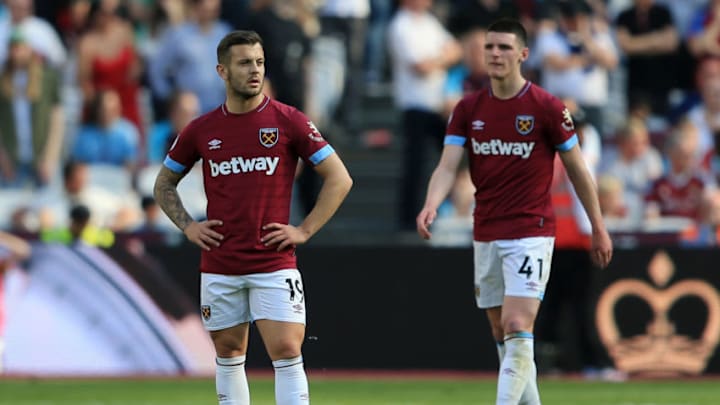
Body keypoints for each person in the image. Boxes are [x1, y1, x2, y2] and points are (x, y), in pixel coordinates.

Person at [416, 19, 612, 404]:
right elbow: (446, 164)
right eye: (489, 47)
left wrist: (598, 226)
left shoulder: (547, 107)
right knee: (501, 331)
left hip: (531, 231)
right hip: (486, 230)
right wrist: (430, 204)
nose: (495, 54)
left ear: (523, 54)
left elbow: (578, 170)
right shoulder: (467, 108)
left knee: (518, 323)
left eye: (504, 48)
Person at [153, 30, 352, 404]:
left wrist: (305, 230)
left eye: (259, 62)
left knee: (288, 351)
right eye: (244, 63)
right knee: (228, 355)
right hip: (220, 262)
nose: (255, 70)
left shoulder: (288, 121)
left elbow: (339, 178)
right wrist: (189, 226)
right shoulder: (201, 129)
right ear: (222, 71)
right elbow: (164, 185)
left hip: (273, 260)